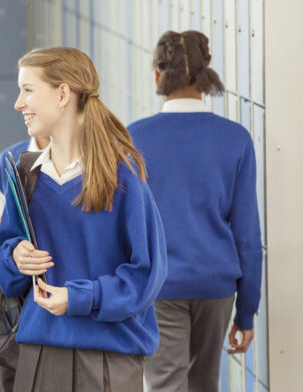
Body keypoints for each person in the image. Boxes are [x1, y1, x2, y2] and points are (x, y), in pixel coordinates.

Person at [0, 46, 167, 391]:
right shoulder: (25, 176)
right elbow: (7, 277)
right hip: (40, 352)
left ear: (62, 94)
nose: (18, 102)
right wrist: (15, 256)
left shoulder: (123, 178)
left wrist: (78, 298)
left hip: (108, 357)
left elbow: (147, 274)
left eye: (28, 90)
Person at [128, 30, 263, 392]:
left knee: (164, 384)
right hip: (216, 287)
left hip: (160, 286)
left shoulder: (133, 138)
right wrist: (247, 312)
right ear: (207, 75)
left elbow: (122, 224)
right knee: (205, 384)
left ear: (158, 75)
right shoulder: (235, 138)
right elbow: (248, 235)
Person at [0, 133, 50, 392]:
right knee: (9, 370)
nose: (20, 104)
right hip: (18, 290)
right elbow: (6, 226)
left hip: (54, 283)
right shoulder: (9, 159)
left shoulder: (83, 156)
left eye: (29, 90)